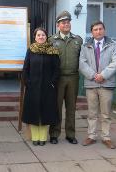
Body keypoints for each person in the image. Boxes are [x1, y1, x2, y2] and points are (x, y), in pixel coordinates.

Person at [79, 21, 116, 149]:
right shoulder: (85, 46)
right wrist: (93, 75)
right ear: (92, 32)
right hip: (91, 84)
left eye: (100, 29)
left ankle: (106, 137)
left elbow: (115, 63)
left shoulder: (113, 45)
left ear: (104, 30)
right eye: (95, 29)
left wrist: (103, 75)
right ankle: (91, 136)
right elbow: (82, 63)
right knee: (92, 112)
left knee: (106, 113)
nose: (98, 31)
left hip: (106, 83)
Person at [49, 11, 83, 144]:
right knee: (56, 107)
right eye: (63, 22)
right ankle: (54, 133)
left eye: (68, 22)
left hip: (73, 77)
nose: (66, 24)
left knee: (71, 107)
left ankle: (70, 134)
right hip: (58, 78)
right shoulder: (51, 40)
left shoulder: (78, 40)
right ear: (58, 25)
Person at [22, 28, 60, 146]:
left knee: (46, 113)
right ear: (35, 37)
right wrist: (28, 83)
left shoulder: (52, 51)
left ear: (46, 37)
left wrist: (52, 83)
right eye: (38, 35)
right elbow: (26, 68)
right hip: (33, 87)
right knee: (33, 113)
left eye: (43, 35)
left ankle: (43, 138)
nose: (41, 37)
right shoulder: (31, 50)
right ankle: (35, 137)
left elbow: (57, 69)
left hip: (48, 88)